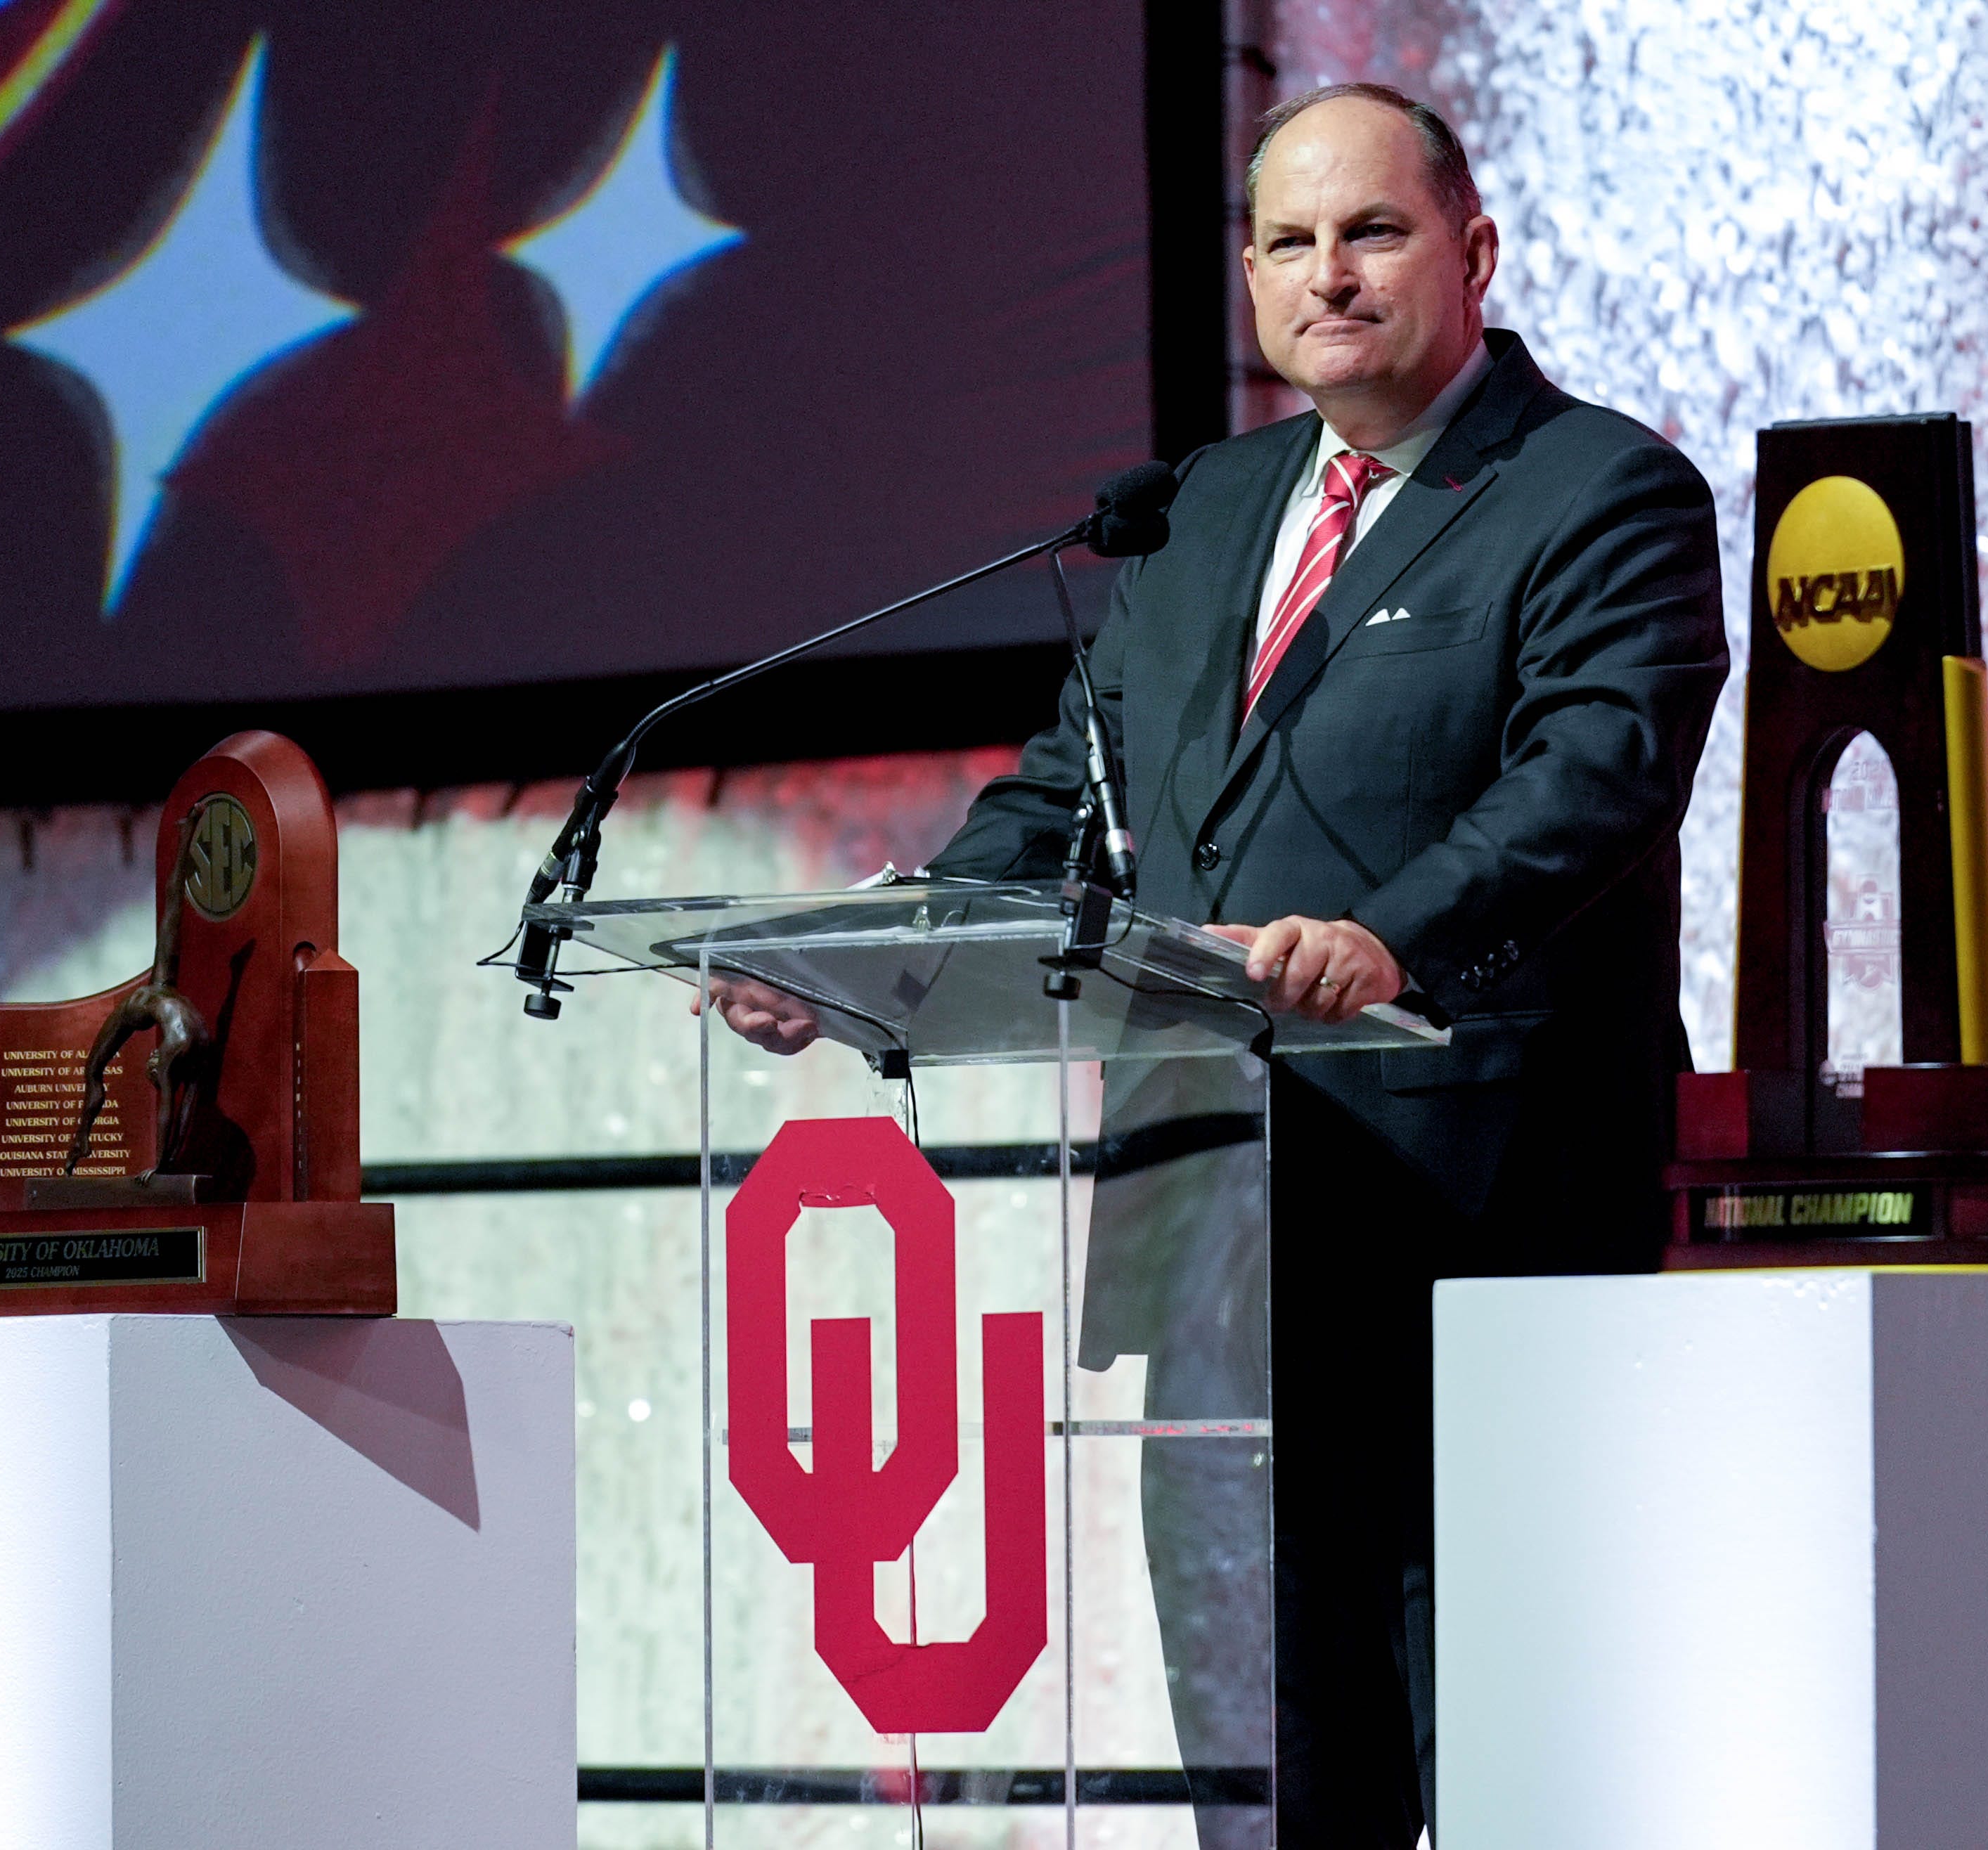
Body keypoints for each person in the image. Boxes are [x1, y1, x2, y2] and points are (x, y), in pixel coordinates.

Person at [702, 82, 1727, 1844]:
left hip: (1476, 1227)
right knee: (1264, 1775)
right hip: (1212, 1241)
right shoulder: (1201, 512)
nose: (1326, 276)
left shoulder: (1603, 491)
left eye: (1373, 232)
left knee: (1504, 1762)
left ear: (1473, 253)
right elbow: (1068, 798)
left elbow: (1597, 778)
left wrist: (1385, 929)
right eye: (1285, 242)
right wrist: (883, 947)